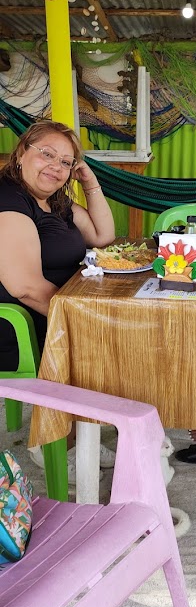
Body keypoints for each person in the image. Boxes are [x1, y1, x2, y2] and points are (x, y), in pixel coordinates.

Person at [0, 119, 117, 480]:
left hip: (52, 310)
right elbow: (24, 286)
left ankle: (82, 427)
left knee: (117, 329)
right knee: (108, 336)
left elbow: (102, 235)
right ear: (22, 154)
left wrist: (90, 182)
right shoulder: (9, 199)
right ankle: (52, 437)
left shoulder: (54, 203)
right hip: (17, 323)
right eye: (47, 154)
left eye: (66, 162)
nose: (56, 166)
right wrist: (84, 317)